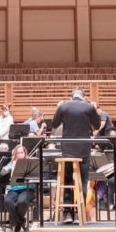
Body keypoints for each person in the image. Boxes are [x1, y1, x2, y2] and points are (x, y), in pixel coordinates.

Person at [50, 87, 101, 223]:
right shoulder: (89, 107)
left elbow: (54, 124)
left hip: (68, 149)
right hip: (83, 148)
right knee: (83, 181)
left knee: (67, 181)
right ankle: (80, 212)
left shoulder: (64, 106)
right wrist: (94, 109)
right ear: (83, 96)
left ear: (72, 96)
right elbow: (97, 126)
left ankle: (68, 214)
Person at [1, 145, 34, 232]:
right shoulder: (13, 162)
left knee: (22, 202)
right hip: (14, 188)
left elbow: (34, 175)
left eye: (21, 152)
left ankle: (16, 222)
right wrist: (4, 170)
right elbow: (1, 173)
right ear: (15, 154)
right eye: (17, 153)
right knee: (7, 201)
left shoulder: (30, 162)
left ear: (25, 153)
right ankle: (21, 222)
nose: (19, 154)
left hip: (27, 188)